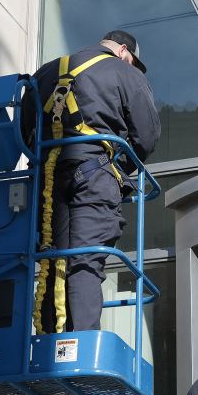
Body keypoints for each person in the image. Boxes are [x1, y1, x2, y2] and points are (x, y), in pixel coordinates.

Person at [32, 30, 160, 333]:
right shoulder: (125, 73)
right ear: (124, 51)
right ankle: (81, 344)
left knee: (52, 260)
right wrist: (117, 166)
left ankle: (50, 339)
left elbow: (25, 131)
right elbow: (147, 136)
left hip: (48, 180)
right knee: (85, 261)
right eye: (132, 61)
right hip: (95, 176)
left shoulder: (45, 74)